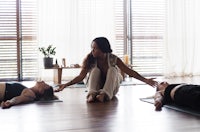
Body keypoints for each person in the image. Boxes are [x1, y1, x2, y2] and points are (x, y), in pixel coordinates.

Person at [55, 37, 157, 103]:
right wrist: (65, 85)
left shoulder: (113, 58)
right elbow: (81, 76)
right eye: (92, 48)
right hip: (95, 87)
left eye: (95, 48)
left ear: (103, 49)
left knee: (113, 70)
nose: (92, 51)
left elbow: (129, 71)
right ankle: (92, 95)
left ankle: (103, 95)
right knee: (95, 71)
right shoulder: (90, 59)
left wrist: (146, 80)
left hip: (111, 88)